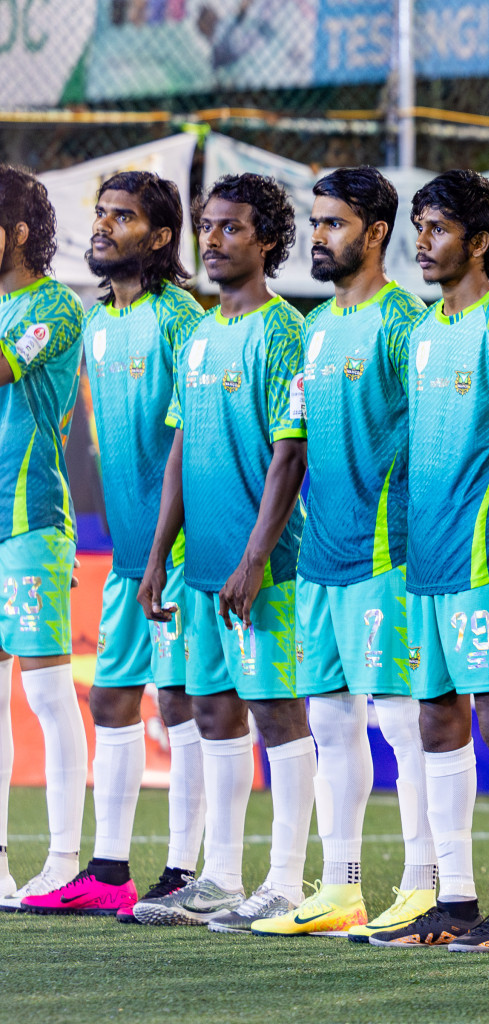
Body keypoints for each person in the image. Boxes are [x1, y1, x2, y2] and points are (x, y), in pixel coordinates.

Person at [249, 167, 439, 940]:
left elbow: (437, 444)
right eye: (315, 222)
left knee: (400, 721)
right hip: (319, 563)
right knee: (330, 723)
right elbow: (290, 450)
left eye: (332, 224)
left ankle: (427, 882)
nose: (318, 237)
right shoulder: (316, 328)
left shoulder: (406, 323)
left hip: (385, 558)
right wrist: (262, 552)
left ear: (376, 232)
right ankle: (343, 887)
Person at [367, 170, 489, 948]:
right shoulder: (419, 331)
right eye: (418, 227)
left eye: (437, 229)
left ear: (479, 242)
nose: (422, 243)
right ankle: (455, 899)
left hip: (486, 561)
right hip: (426, 562)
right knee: (436, 718)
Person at [15, 173, 205, 920]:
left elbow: (199, 439)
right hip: (128, 556)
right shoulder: (96, 322)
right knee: (116, 701)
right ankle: (111, 870)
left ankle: (187, 873)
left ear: (159, 238)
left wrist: (166, 550)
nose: (102, 226)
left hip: (184, 553)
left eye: (122, 217)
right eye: (100, 213)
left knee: (189, 705)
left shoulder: (182, 318)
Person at [134, 173, 313, 931]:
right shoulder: (201, 333)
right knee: (212, 711)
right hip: (199, 564)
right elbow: (180, 451)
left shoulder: (283, 330)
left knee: (276, 712)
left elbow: (290, 452)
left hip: (261, 568)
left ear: (267, 241)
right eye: (206, 226)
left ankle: (288, 882)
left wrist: (255, 556)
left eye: (230, 228)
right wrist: (156, 558)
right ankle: (221, 877)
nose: (212, 240)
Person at [0, 167, 86, 909]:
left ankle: (62, 859)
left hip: (31, 520)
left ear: (20, 232)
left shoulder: (54, 306)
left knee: (48, 694)